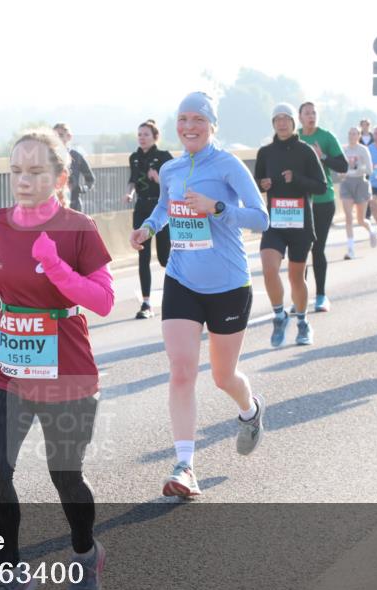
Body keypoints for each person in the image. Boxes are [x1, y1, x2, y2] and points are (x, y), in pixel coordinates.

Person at [0, 128, 114, 590]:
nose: (23, 181)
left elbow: (104, 300)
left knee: (65, 475)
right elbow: (1, 269)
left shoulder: (78, 228)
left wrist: (55, 266)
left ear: (60, 176)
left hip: (65, 366)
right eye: (16, 171)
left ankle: (87, 553)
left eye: (36, 172)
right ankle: (11, 575)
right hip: (7, 367)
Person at [129, 91, 269, 498]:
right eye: (183, 119)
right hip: (182, 280)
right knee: (181, 370)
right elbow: (162, 209)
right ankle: (186, 465)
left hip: (228, 285)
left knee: (224, 377)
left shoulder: (228, 165)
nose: (189, 126)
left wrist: (218, 208)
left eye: (198, 120)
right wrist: (149, 229)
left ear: (212, 125)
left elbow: (261, 218)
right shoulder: (171, 168)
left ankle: (250, 409)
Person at [255, 103, 327, 347]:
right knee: (268, 268)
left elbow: (321, 186)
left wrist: (296, 179)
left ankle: (303, 322)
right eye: (278, 119)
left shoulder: (305, 151)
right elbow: (256, 182)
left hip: (300, 224)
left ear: (293, 123)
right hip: (275, 222)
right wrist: (262, 184)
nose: (282, 123)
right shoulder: (265, 153)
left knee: (297, 277)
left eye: (286, 119)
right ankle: (278, 315)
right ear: (273, 124)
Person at [297, 101, 348, 312]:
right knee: (300, 251)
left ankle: (321, 296)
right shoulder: (295, 137)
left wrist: (323, 157)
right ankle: (300, 299)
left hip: (323, 201)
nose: (311, 116)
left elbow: (343, 165)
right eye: (307, 113)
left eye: (314, 113)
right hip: (298, 203)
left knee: (317, 248)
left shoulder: (326, 137)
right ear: (299, 117)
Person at [125, 119, 174, 319]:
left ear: (155, 137)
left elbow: (175, 185)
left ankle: (181, 292)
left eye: (146, 134)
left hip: (161, 209)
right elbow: (132, 180)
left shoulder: (164, 157)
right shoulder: (134, 157)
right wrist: (129, 193)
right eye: (139, 134)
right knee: (142, 256)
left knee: (165, 258)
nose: (142, 138)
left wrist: (158, 179)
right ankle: (146, 304)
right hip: (142, 207)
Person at [339, 127, 377, 259]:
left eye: (355, 134)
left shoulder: (363, 150)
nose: (352, 136)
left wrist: (360, 169)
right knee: (348, 217)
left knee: (360, 219)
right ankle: (351, 250)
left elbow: (370, 170)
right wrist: (342, 173)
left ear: (359, 135)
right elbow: (339, 168)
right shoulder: (344, 150)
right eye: (350, 133)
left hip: (361, 183)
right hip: (347, 184)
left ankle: (371, 231)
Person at [53, 123, 95, 212]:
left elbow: (90, 179)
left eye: (60, 135)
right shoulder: (48, 157)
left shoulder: (77, 157)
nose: (57, 139)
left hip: (74, 206)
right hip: (53, 206)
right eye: (55, 136)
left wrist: (82, 189)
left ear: (69, 137)